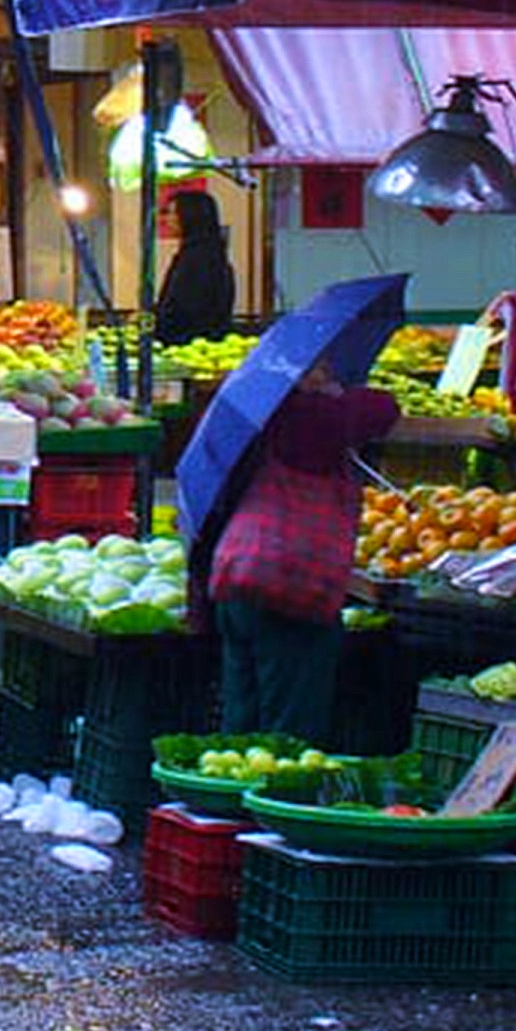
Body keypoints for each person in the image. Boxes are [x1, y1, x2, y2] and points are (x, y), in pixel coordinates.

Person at [203, 364, 399, 743]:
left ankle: (224, 795)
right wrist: (333, 394)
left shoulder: (254, 417)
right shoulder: (305, 418)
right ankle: (273, 793)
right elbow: (382, 408)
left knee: (241, 715)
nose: (329, 377)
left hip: (238, 571)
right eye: (319, 371)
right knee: (289, 725)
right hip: (291, 582)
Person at [153, 187, 236, 347]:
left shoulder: (198, 259)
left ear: (189, 216)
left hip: (192, 346)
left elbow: (182, 309)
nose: (166, 219)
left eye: (171, 213)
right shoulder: (210, 252)